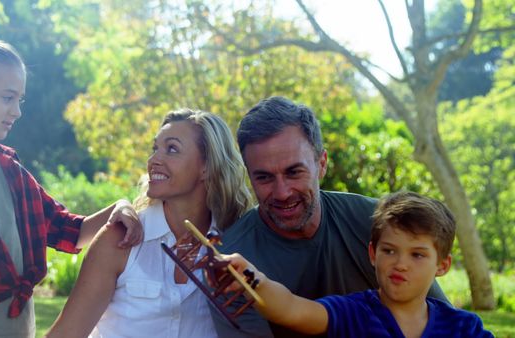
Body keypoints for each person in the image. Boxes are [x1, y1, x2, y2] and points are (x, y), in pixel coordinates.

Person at [0, 39, 142, 338]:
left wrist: (120, 205)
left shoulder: (13, 172)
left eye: (20, 100)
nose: (16, 111)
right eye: (7, 97)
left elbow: (68, 230)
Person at [212, 96, 448, 337]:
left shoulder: (381, 224)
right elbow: (287, 308)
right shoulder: (232, 261)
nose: (282, 192)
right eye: (264, 177)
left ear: (321, 164)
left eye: (294, 172)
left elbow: (443, 319)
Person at [44, 109, 253, 338]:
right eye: (155, 149)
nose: (153, 160)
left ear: (207, 166)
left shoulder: (235, 243)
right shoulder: (119, 240)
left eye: (172, 149)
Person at [222, 191, 494, 337]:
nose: (400, 264)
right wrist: (251, 277)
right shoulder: (353, 313)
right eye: (389, 251)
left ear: (442, 266)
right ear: (373, 254)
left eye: (417, 255)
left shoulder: (464, 328)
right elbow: (291, 309)